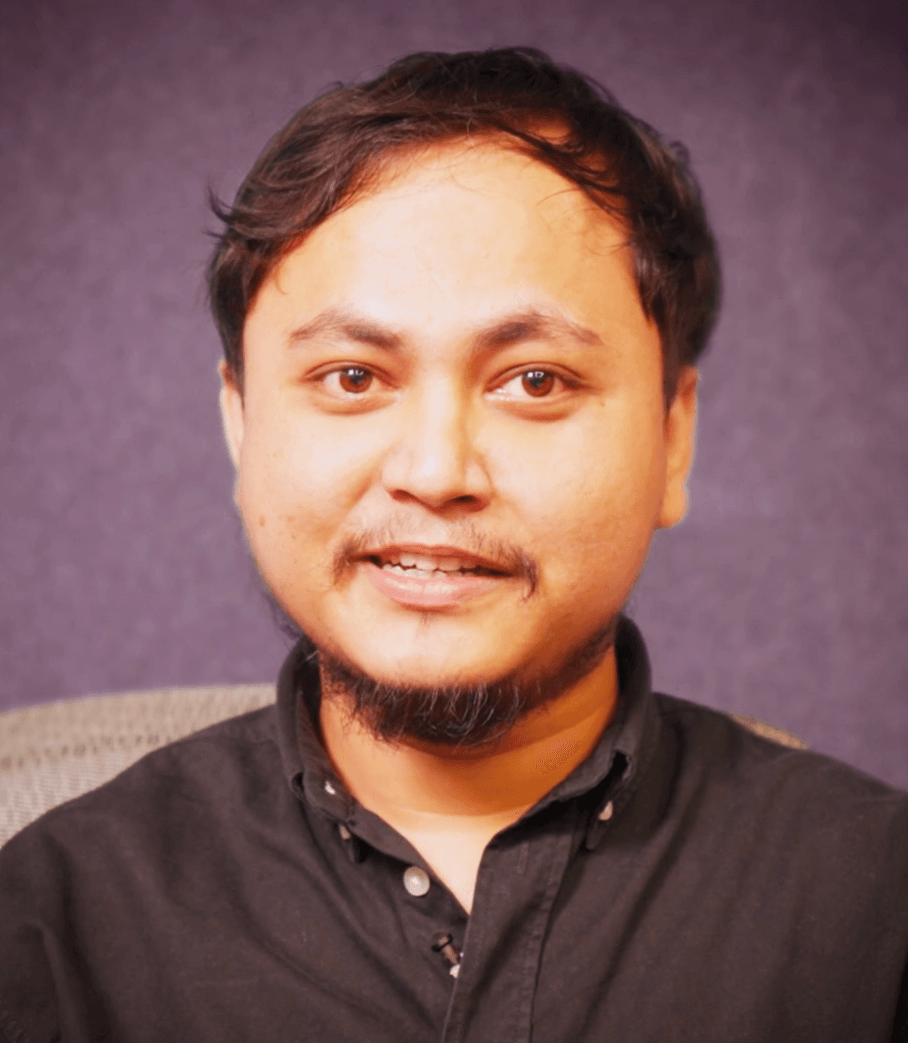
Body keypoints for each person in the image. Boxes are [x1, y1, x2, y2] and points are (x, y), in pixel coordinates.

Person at [1, 47, 906, 1043]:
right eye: (352, 377)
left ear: (673, 435)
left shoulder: (873, 911)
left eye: (534, 380)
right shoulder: (48, 929)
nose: (435, 472)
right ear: (240, 423)